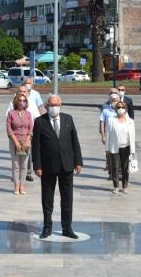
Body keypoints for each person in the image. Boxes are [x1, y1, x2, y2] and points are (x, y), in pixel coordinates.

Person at [32, 94, 83, 239]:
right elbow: (36, 145)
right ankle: (47, 227)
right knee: (47, 199)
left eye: (56, 104)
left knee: (67, 199)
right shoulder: (40, 122)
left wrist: (78, 161)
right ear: (47, 106)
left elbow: (75, 141)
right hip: (48, 167)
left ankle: (67, 227)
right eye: (51, 105)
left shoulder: (68, 119)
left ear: (60, 105)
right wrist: (37, 165)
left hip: (66, 165)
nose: (54, 107)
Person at [7, 85, 40, 181]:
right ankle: (17, 180)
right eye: (20, 91)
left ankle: (27, 174)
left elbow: (36, 119)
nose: (22, 93)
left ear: (27, 92)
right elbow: (9, 122)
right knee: (16, 162)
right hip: (15, 137)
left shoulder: (32, 105)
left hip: (28, 135)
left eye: (24, 91)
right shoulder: (11, 105)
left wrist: (30, 136)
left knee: (26, 159)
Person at [105, 100, 136, 194]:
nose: (120, 109)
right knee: (115, 167)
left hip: (126, 147)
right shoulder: (111, 120)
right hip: (115, 147)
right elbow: (108, 135)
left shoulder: (130, 121)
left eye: (122, 107)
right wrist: (107, 149)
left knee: (125, 167)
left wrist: (133, 150)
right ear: (115, 109)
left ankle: (125, 186)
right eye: (118, 107)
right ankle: (116, 186)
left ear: (126, 109)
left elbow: (133, 136)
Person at [6, 93, 34, 195]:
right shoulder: (11, 114)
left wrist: (27, 141)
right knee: (16, 165)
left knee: (24, 165)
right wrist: (16, 142)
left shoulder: (28, 114)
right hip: (15, 142)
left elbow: (31, 128)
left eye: (24, 101)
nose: (22, 102)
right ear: (16, 102)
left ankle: (22, 185)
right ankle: (16, 185)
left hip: (26, 142)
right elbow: (9, 129)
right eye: (20, 100)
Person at [100, 90, 120, 178]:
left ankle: (119, 173)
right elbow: (101, 123)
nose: (114, 101)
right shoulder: (105, 110)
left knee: (119, 155)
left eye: (116, 99)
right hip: (109, 136)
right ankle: (111, 173)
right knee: (109, 154)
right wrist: (103, 136)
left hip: (119, 136)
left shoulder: (121, 109)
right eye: (112, 99)